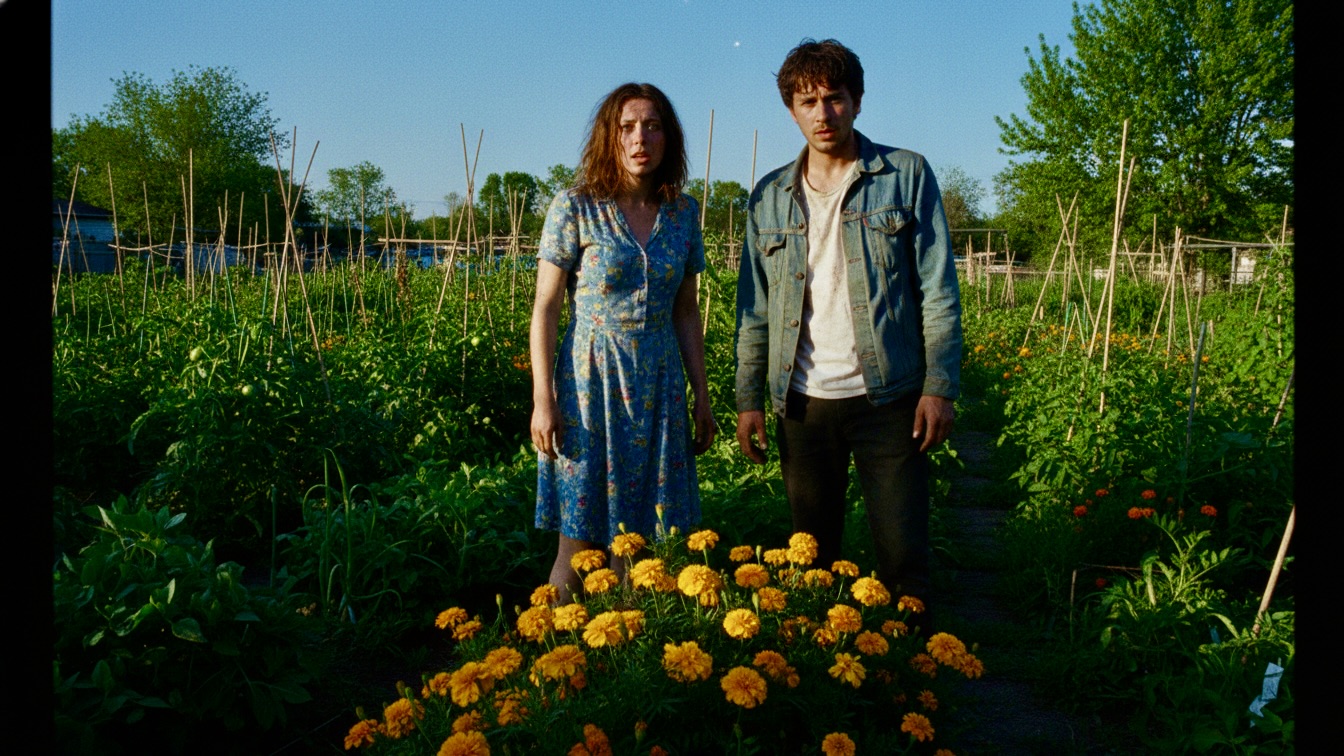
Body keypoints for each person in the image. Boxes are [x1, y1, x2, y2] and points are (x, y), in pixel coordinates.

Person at [733, 39, 962, 632]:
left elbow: (937, 289)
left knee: (902, 553)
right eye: (807, 100)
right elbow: (753, 311)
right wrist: (749, 399)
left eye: (834, 98)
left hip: (890, 398)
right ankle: (823, 681)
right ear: (791, 109)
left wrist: (939, 386)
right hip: (803, 402)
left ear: (857, 101)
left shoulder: (904, 175)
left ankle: (910, 678)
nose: (822, 113)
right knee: (813, 557)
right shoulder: (768, 198)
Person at [531, 82, 715, 602]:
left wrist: (700, 395)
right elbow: (545, 309)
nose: (641, 138)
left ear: (668, 139)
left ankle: (625, 660)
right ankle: (550, 657)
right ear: (609, 138)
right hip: (589, 388)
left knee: (642, 541)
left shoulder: (683, 213)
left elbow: (685, 310)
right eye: (627, 127)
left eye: (653, 126)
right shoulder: (575, 207)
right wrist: (543, 401)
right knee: (578, 541)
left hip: (657, 385)